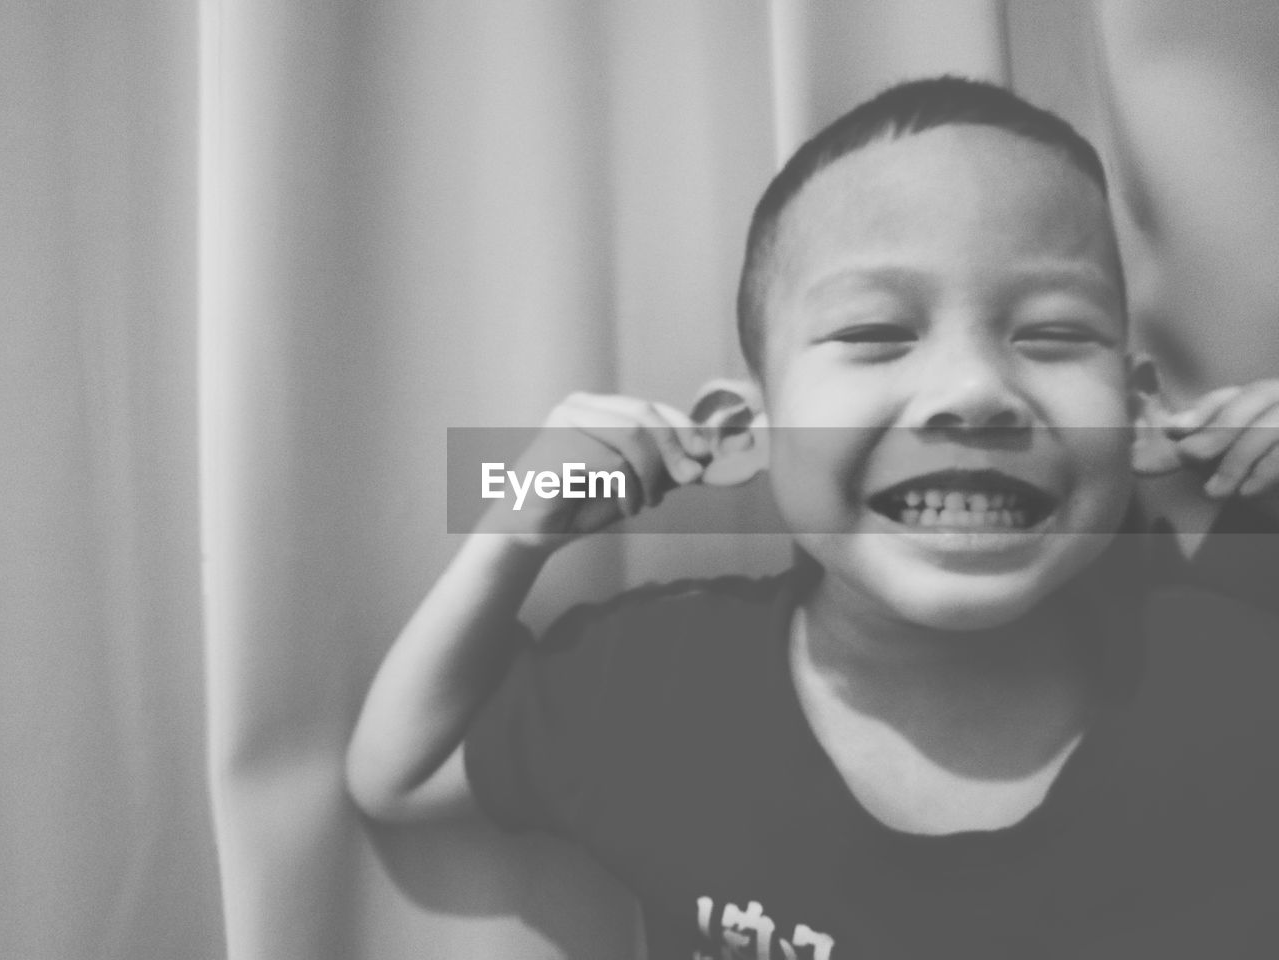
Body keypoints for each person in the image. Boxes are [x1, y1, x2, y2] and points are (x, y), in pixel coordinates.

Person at [347, 77, 1279, 959]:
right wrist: (515, 523)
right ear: (745, 433)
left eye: (1050, 334)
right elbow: (398, 774)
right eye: (876, 336)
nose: (973, 391)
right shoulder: (659, 691)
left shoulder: (1233, 674)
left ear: (1142, 417)